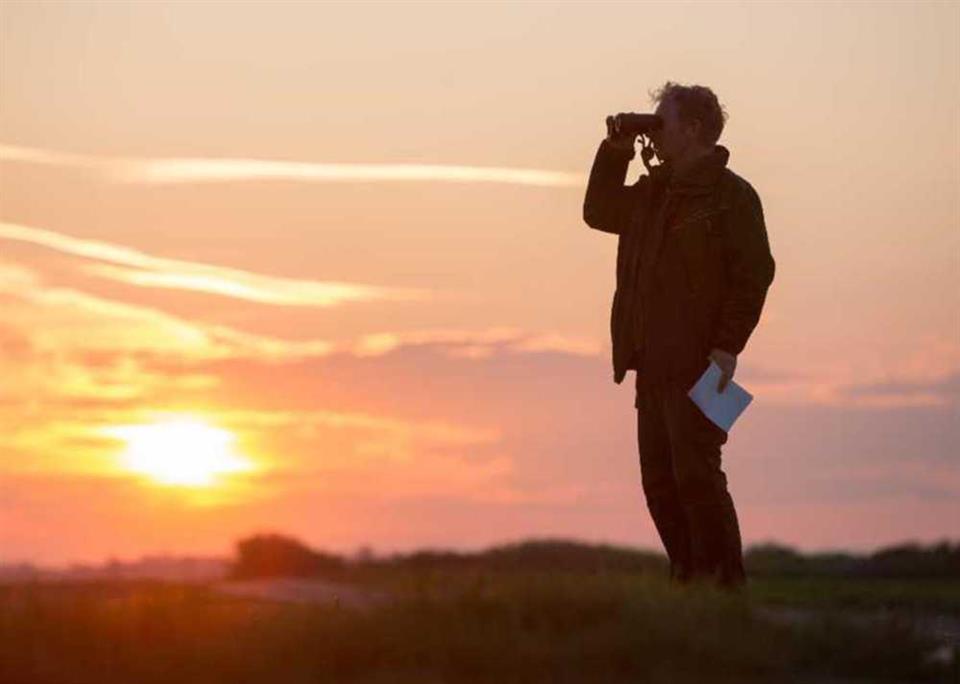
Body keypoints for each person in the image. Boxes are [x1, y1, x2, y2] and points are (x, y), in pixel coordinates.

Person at [582, 82, 776, 591]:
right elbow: (599, 212)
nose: (655, 132)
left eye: (660, 122)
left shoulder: (730, 196)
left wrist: (728, 345)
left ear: (692, 129)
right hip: (651, 362)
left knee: (698, 478)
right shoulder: (653, 193)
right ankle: (688, 580)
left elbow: (754, 273)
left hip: (698, 362)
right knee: (661, 484)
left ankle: (723, 586)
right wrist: (615, 151)